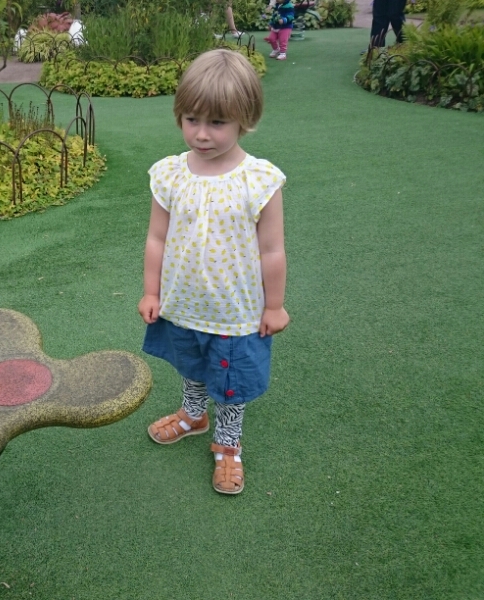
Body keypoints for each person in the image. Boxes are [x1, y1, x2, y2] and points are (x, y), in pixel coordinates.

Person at [138, 49, 289, 495]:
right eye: (191, 119)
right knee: (190, 363)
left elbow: (272, 249)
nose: (201, 134)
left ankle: (228, 442)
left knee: (231, 381)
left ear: (246, 118)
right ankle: (193, 414)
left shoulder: (258, 180)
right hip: (183, 304)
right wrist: (151, 292)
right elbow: (157, 238)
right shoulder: (170, 174)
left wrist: (275, 305)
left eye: (217, 122)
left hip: (235, 313)